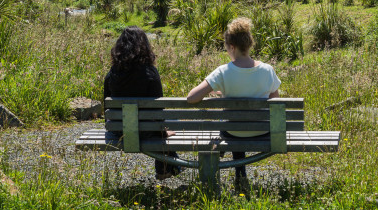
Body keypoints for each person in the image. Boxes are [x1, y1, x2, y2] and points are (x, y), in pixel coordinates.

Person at [187, 17, 281, 187]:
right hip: (263, 132)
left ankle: (240, 174)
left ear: (231, 46)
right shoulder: (268, 70)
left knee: (234, 124)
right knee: (241, 122)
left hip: (234, 132)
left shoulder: (223, 71)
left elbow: (191, 97)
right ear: (249, 44)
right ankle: (240, 176)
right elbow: (276, 103)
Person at [104, 26, 181, 180]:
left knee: (155, 125)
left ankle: (171, 167)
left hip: (120, 131)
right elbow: (159, 110)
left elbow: (106, 106)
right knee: (165, 124)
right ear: (144, 46)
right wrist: (164, 132)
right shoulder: (149, 72)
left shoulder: (112, 73)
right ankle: (165, 168)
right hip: (148, 130)